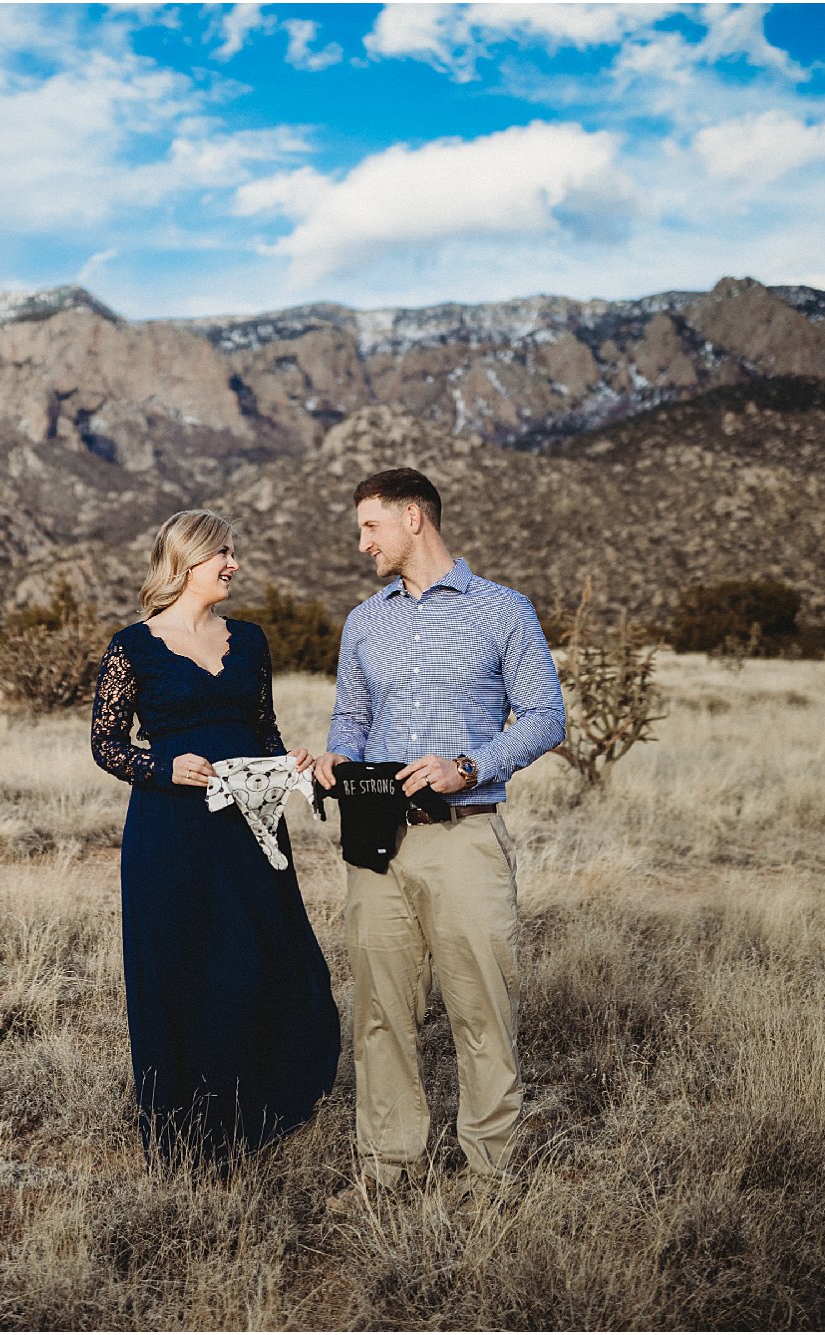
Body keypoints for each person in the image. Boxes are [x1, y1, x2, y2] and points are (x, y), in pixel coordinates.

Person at [314, 468, 566, 1198]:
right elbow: (351, 720)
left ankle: (491, 1172)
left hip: (466, 837)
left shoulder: (503, 611)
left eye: (371, 526)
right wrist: (337, 755)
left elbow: (546, 715)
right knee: (381, 1013)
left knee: (482, 1007)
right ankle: (387, 1166)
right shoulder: (365, 621)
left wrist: (470, 764)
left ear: (414, 519)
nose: (362, 543)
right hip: (376, 843)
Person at [90, 509, 340, 1160]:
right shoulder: (133, 646)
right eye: (221, 552)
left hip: (252, 827)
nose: (234, 563)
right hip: (169, 832)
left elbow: (265, 731)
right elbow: (106, 744)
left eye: (233, 551)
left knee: (265, 958)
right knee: (184, 968)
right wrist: (163, 766)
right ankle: (190, 1136)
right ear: (184, 562)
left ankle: (264, 1112)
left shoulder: (251, 641)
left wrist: (293, 767)